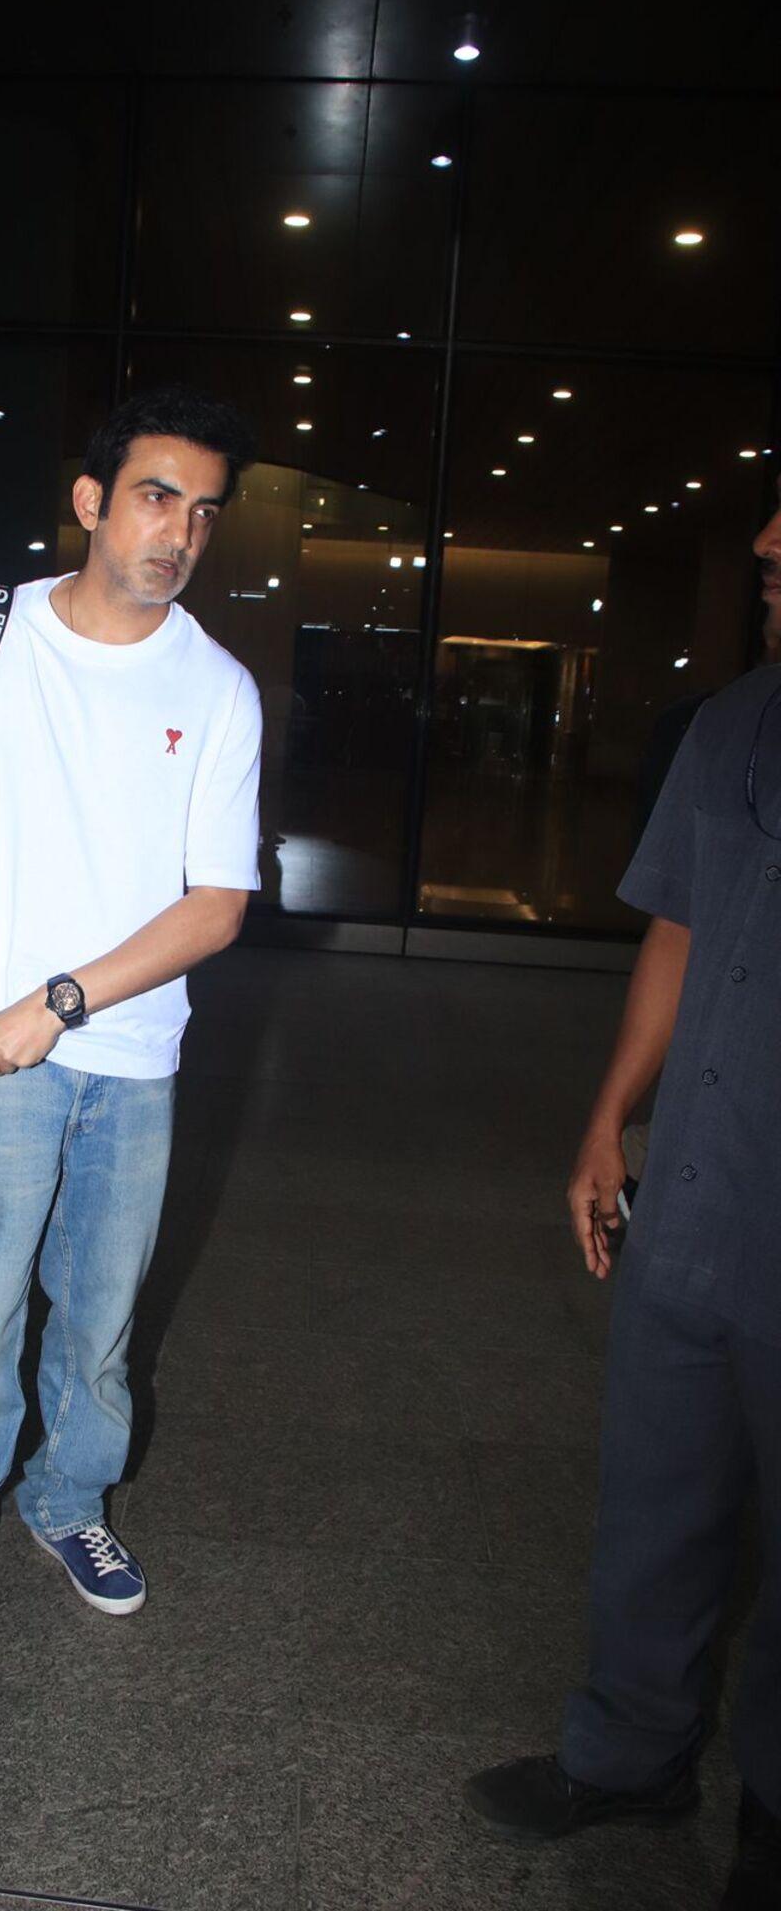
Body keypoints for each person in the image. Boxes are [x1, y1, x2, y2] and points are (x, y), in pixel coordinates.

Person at [0, 386, 262, 1654]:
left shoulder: (218, 687)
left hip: (127, 1053)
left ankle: (68, 1498)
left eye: (201, 511)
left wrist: (62, 1000)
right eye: (152, 495)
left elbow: (219, 903)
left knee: (101, 1309)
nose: (177, 532)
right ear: (90, 501)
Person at [463, 481, 781, 1908]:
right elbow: (675, 927)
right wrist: (609, 1124)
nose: (767, 549)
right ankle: (635, 1752)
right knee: (656, 1499)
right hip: (700, 1201)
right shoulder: (737, 723)